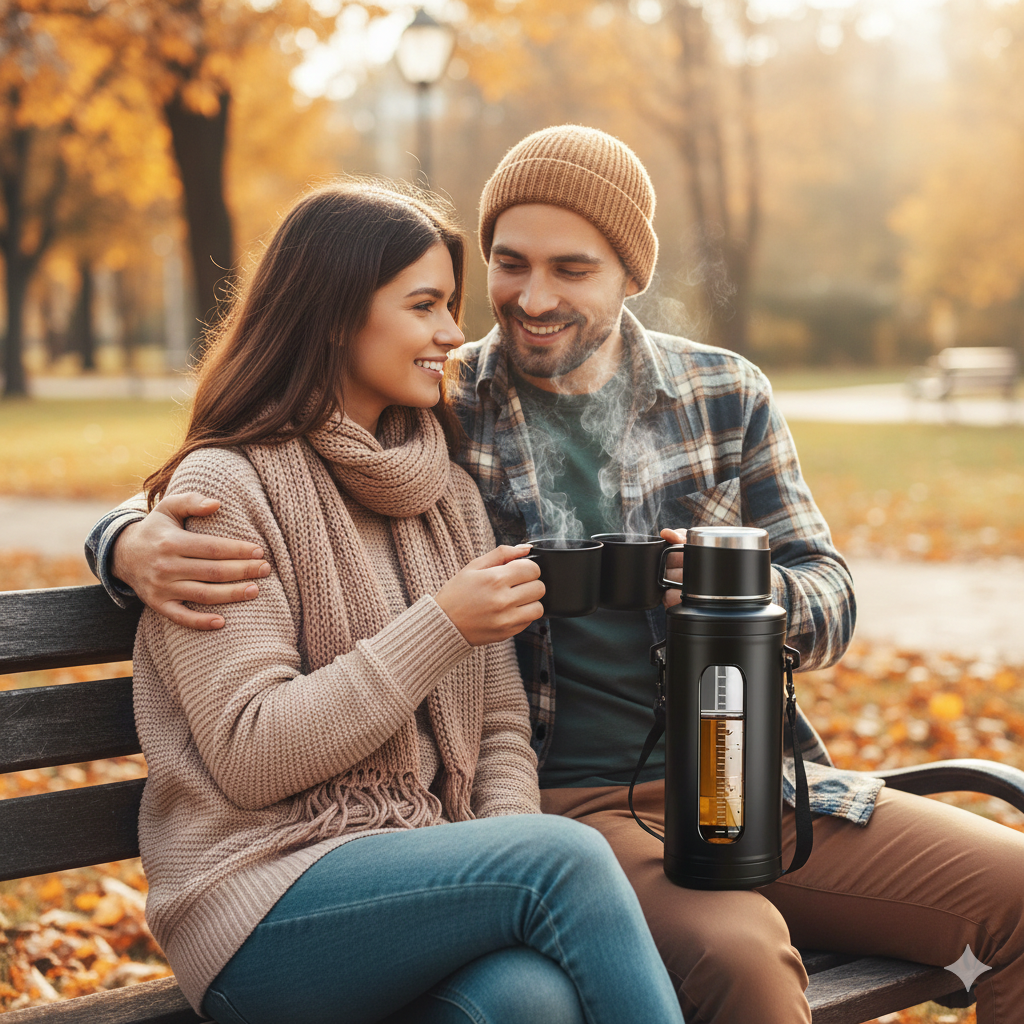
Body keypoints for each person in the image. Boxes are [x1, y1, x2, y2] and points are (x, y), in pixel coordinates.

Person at [89, 129, 1024, 1024]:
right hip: (574, 807)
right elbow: (248, 455)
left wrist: (742, 601)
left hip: (741, 780)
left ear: (629, 274)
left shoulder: (721, 395)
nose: (531, 298)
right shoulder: (445, 401)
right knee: (743, 962)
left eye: (571, 269)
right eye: (510, 264)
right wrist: (124, 540)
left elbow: (830, 590)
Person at [115, 179, 686, 1024]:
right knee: (566, 860)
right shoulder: (224, 491)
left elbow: (500, 726)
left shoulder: (447, 494)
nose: (453, 334)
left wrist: (500, 836)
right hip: (260, 901)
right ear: (335, 315)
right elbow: (251, 753)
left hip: (417, 886)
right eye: (424, 307)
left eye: (451, 306)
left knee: (530, 1002)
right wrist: (441, 626)